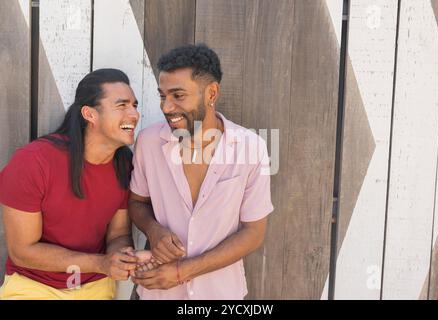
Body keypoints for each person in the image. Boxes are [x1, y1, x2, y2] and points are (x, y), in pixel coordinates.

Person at [128, 44, 274, 300]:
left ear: (211, 93)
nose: (167, 107)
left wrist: (182, 271)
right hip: (159, 293)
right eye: (163, 96)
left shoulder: (251, 147)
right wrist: (153, 230)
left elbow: (254, 233)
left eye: (178, 95)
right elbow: (137, 202)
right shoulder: (148, 142)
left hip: (221, 294)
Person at [0, 68, 142, 299]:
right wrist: (102, 263)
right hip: (34, 286)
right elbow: (22, 251)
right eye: (122, 105)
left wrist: (122, 258)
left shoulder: (125, 165)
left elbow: (117, 234)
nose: (134, 114)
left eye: (134, 105)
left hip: (96, 287)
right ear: (89, 114)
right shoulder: (33, 162)